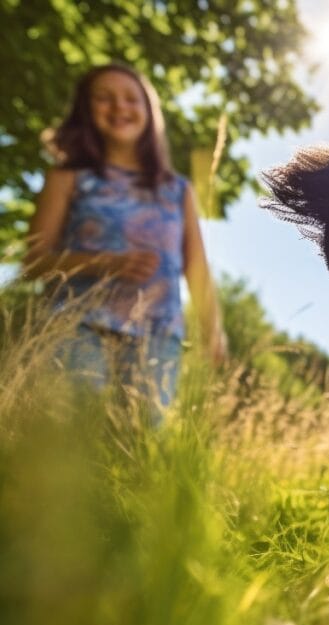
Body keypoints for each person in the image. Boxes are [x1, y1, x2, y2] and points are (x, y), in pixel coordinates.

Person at [23, 63, 226, 417]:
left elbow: (196, 267)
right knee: (78, 435)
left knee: (140, 447)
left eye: (132, 99)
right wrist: (104, 263)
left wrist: (214, 333)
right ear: (86, 111)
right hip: (77, 325)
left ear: (149, 111)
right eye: (104, 98)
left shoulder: (177, 189)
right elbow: (33, 262)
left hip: (158, 335)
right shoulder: (68, 176)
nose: (120, 107)